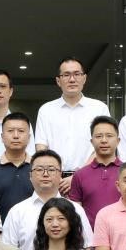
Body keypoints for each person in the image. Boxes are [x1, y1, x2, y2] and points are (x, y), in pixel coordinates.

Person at [35, 56, 111, 189]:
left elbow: (104, 146)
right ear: (58, 81)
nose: (72, 79)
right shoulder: (46, 110)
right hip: (55, 180)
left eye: (77, 74)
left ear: (84, 78)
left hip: (91, 177)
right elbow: (41, 147)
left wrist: (79, 176)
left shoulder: (99, 108)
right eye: (66, 75)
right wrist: (54, 175)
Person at [1, 150, 93, 250]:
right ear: (30, 176)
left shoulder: (75, 209)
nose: (45, 174)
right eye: (39, 169)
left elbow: (86, 248)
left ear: (60, 174)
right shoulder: (17, 211)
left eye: (51, 169)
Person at [66, 115, 125, 226]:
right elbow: (75, 213)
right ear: (92, 141)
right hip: (90, 235)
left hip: (122, 233)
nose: (104, 140)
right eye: (98, 136)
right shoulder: (80, 175)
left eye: (109, 136)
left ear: (118, 141)